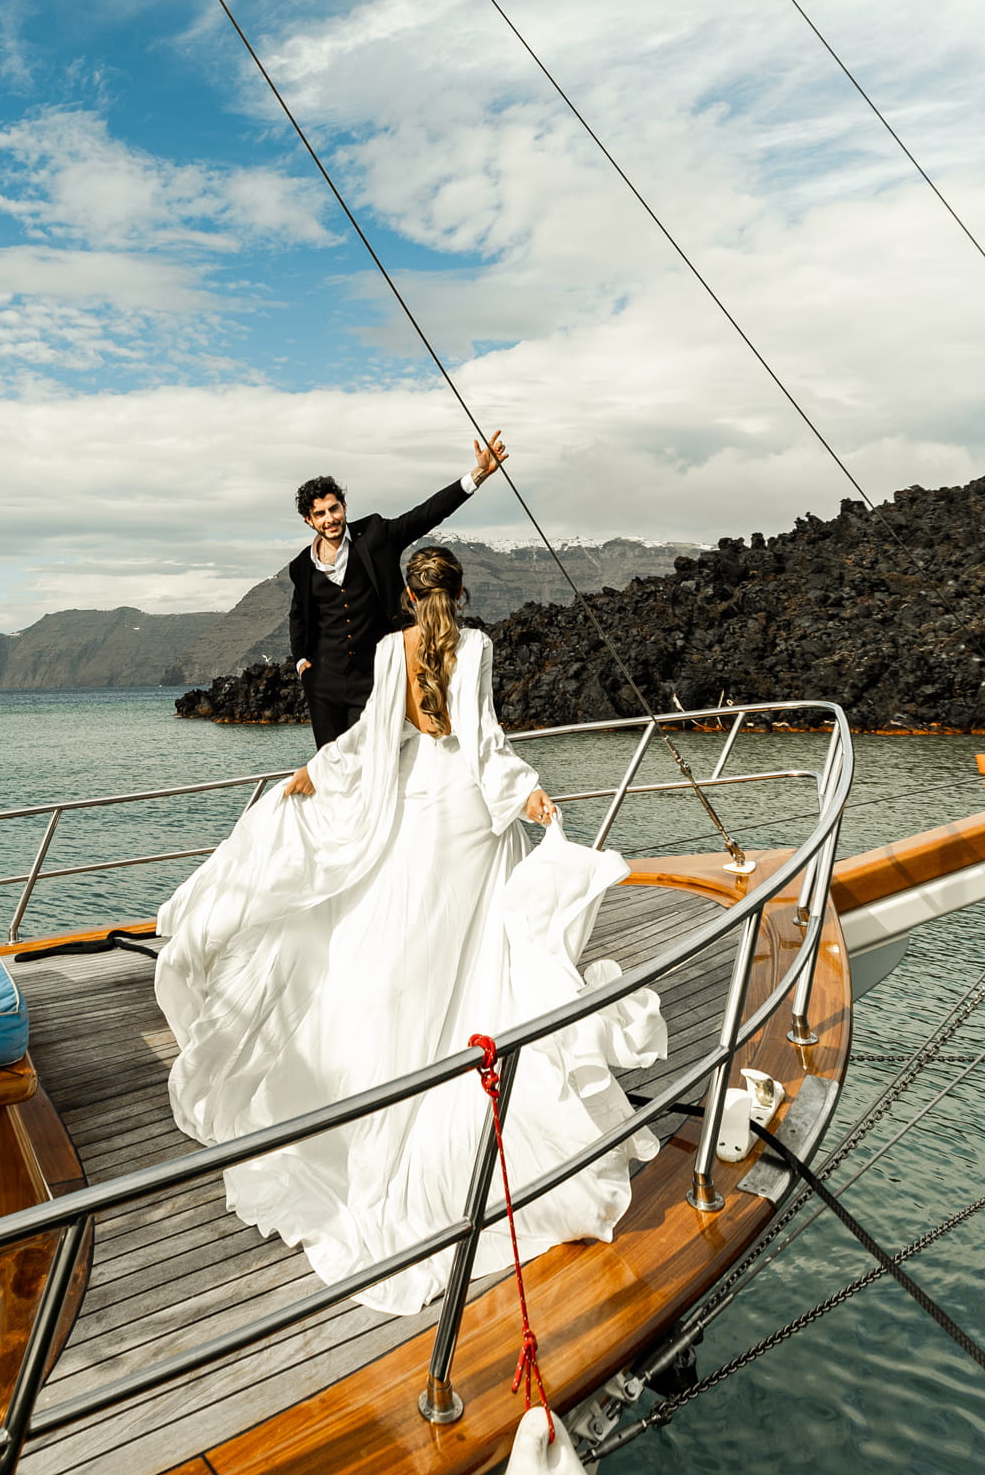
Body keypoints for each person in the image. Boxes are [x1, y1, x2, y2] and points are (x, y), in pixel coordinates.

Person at [156, 545, 666, 1315]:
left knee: (395, 945)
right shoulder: (478, 645)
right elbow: (484, 739)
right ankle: (458, 1067)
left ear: (404, 594)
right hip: (466, 810)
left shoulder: (392, 648)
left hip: (418, 812)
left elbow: (372, 737)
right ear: (458, 593)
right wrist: (525, 792)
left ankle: (377, 1087)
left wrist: (317, 774)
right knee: (474, 954)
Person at [288, 431, 507, 749]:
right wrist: (301, 663)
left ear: (344, 506)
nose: (330, 518)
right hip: (325, 684)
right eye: (320, 514)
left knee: (377, 761)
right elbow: (299, 617)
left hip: (377, 677)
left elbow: (428, 513)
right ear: (309, 520)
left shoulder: (376, 535)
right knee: (330, 769)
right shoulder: (301, 566)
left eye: (334, 509)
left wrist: (479, 475)